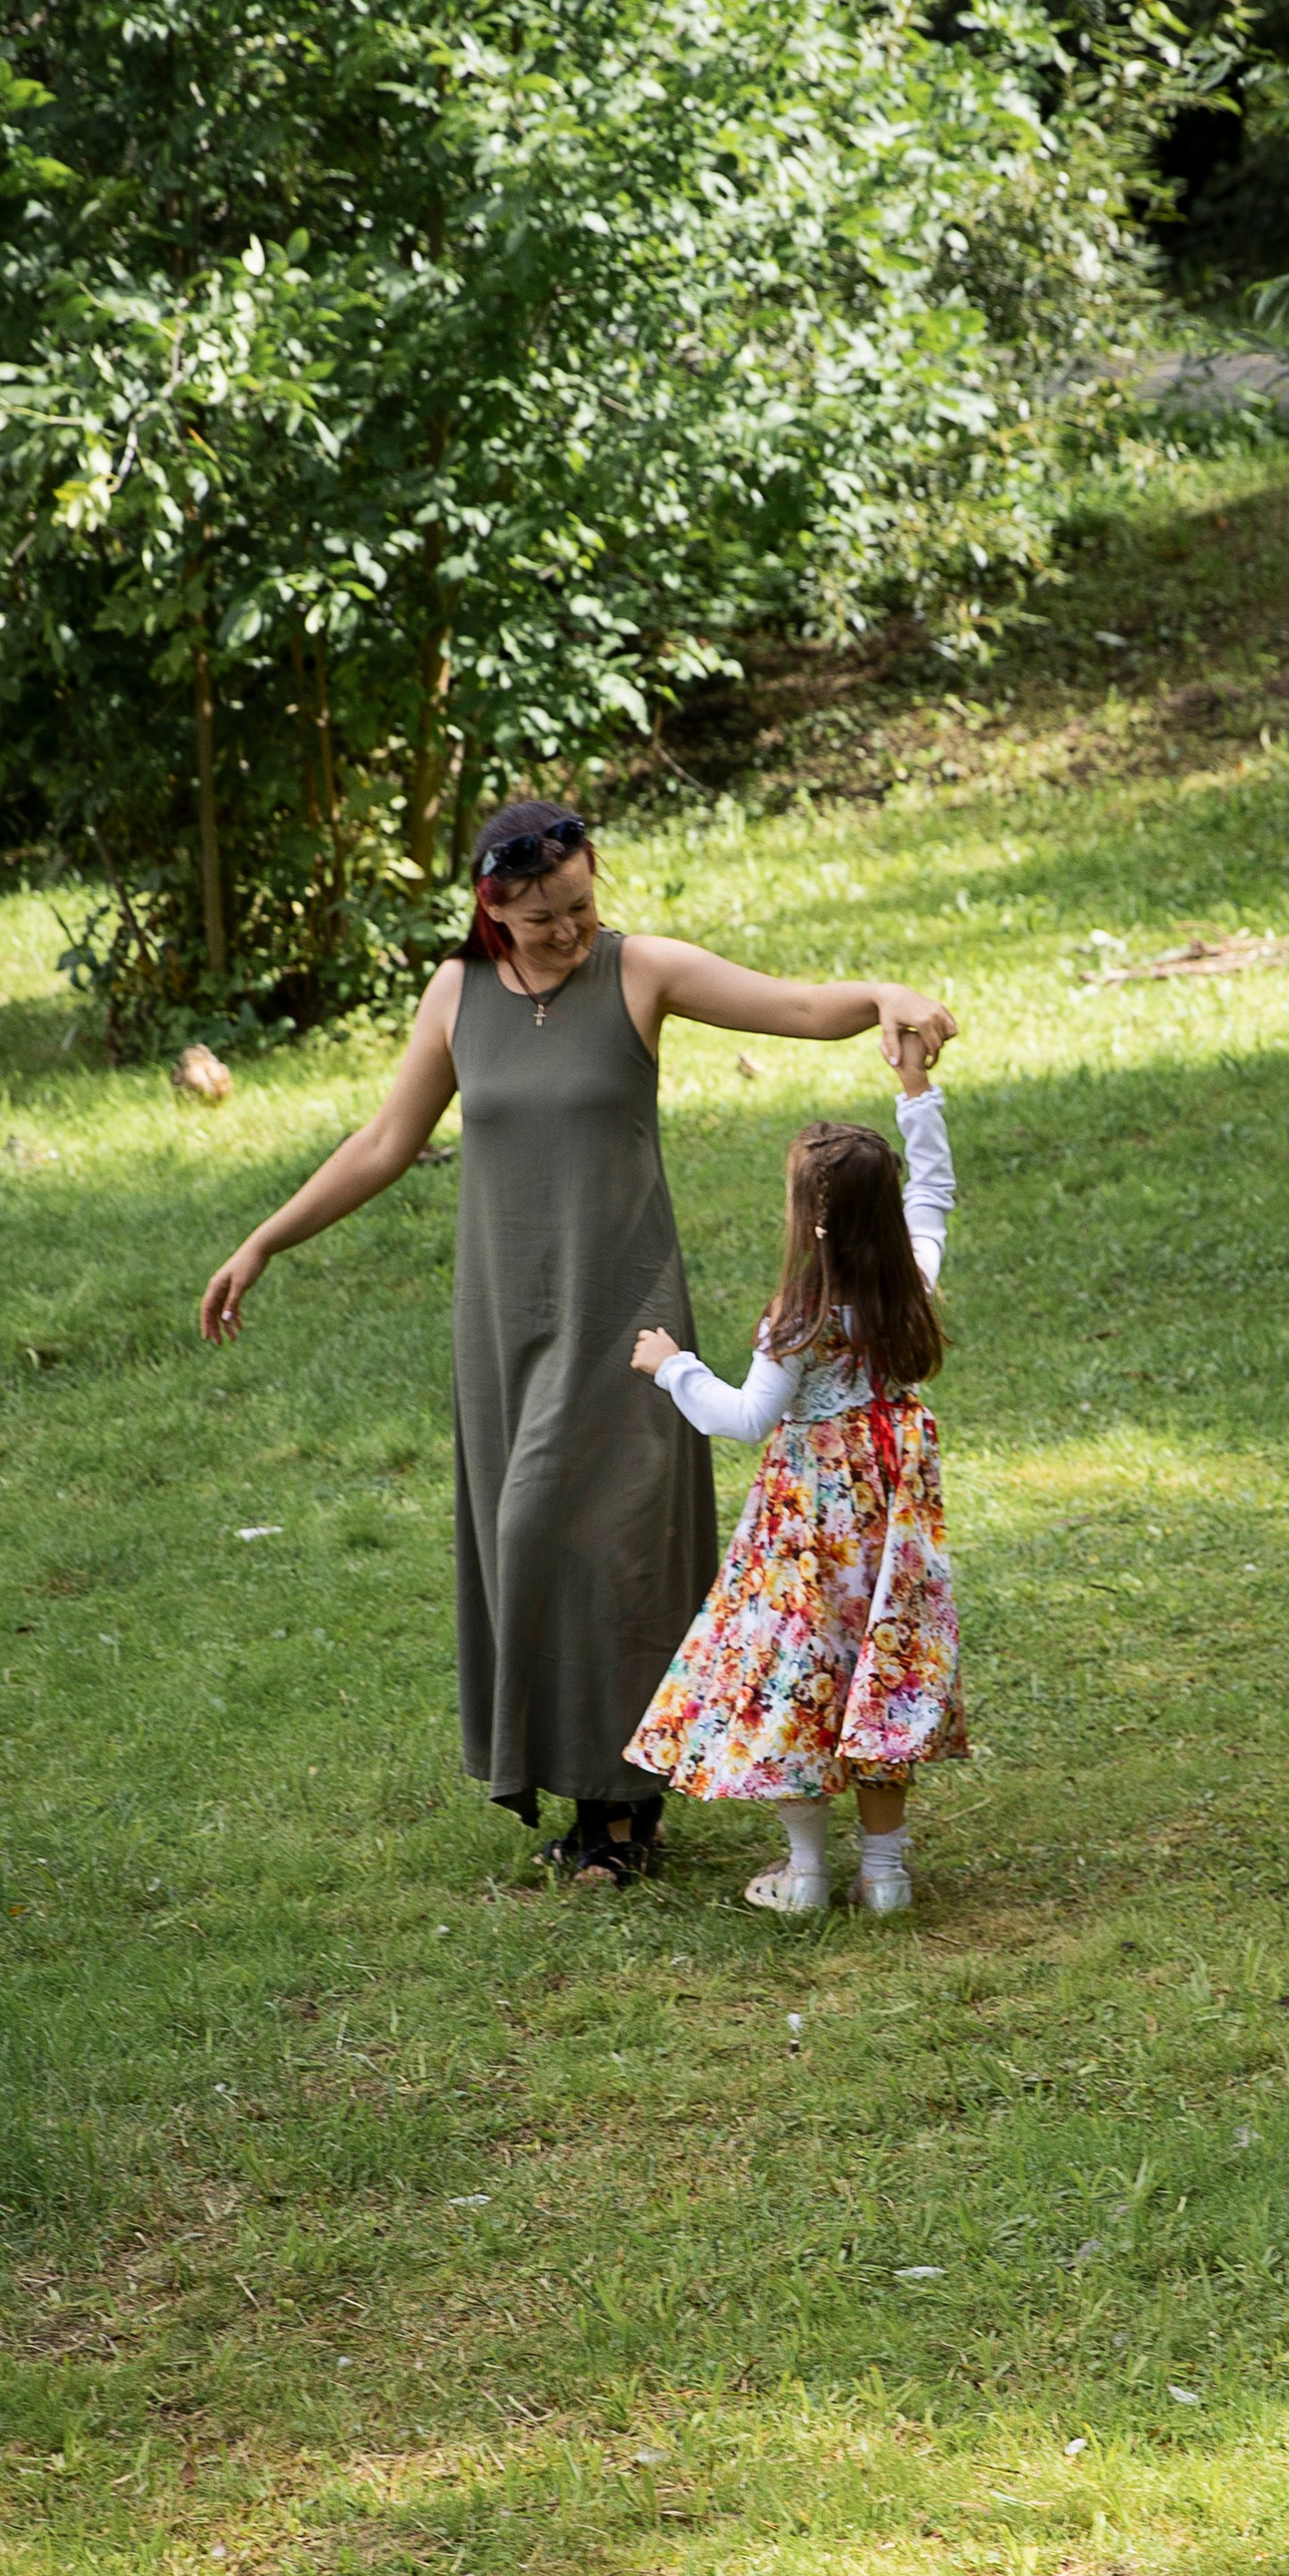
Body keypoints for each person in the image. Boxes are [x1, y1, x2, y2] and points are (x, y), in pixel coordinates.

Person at [195, 796, 957, 1882]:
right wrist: (265, 1241)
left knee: (615, 1548)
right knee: (530, 1544)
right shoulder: (455, 994)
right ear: (491, 908)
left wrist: (884, 996)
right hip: (503, 1319)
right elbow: (382, 1141)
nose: (569, 930)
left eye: (582, 905)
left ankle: (621, 1811)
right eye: (544, 915)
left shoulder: (637, 973)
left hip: (623, 1311)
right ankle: (588, 1791)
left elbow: (790, 1004)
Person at [626, 1024, 964, 1915]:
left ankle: (808, 1874)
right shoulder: (911, 1284)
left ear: (809, 1220)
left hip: (808, 1531)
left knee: (801, 1672)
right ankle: (884, 1876)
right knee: (879, 1672)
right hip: (888, 1528)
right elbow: (934, 1190)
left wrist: (672, 1366)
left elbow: (745, 1418)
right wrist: (915, 1086)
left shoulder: (799, 1318)